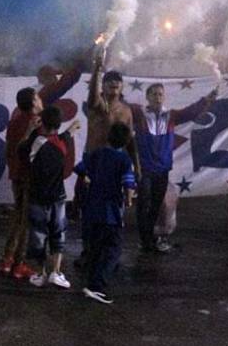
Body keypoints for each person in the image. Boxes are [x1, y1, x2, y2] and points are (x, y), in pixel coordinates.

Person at [131, 80, 216, 253]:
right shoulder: (138, 114)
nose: (157, 97)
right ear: (147, 97)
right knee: (144, 204)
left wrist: (207, 99)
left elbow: (191, 111)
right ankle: (146, 240)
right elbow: (120, 105)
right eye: (153, 94)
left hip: (162, 169)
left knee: (155, 205)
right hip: (145, 169)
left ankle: (150, 238)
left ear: (164, 97)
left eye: (160, 94)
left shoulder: (171, 115)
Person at [76, 121, 136, 304]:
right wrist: (128, 200)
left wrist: (91, 181)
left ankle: (90, 282)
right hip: (111, 213)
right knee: (113, 249)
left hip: (91, 209)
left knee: (94, 248)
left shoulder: (96, 154)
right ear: (126, 142)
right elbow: (128, 186)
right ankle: (96, 286)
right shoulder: (125, 160)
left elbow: (80, 169)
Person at [22, 105, 75, 289]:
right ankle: (56, 272)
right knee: (58, 233)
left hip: (37, 197)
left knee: (38, 236)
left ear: (41, 123)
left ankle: (41, 273)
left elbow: (20, 150)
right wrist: (71, 129)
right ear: (59, 124)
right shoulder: (63, 142)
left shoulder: (35, 142)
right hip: (58, 196)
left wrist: (30, 130)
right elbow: (65, 135)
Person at [1, 87, 43, 278]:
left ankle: (7, 258)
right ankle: (19, 263)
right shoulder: (37, 123)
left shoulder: (15, 120)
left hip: (16, 173)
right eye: (38, 97)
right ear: (34, 102)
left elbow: (8, 148)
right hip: (30, 174)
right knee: (25, 219)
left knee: (18, 216)